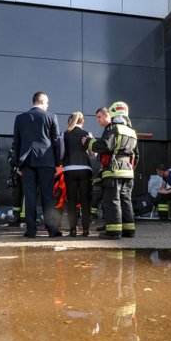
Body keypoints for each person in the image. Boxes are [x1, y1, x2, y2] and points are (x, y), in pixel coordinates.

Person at [82, 103, 139, 240]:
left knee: (112, 200)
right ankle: (129, 230)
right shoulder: (132, 131)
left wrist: (89, 142)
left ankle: (114, 232)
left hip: (114, 171)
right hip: (128, 172)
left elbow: (106, 146)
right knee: (126, 200)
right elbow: (136, 156)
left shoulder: (114, 129)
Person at [12, 91, 62, 238]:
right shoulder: (51, 117)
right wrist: (56, 163)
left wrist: (17, 164)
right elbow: (56, 142)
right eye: (46, 102)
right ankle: (52, 229)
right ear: (41, 101)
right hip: (46, 161)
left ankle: (31, 230)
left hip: (27, 161)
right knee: (48, 196)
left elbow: (16, 142)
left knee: (30, 196)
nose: (47, 105)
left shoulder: (20, 118)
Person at [61, 112, 93, 237]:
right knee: (85, 200)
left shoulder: (64, 134)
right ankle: (86, 230)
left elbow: (61, 154)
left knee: (72, 200)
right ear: (83, 122)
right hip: (85, 168)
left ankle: (73, 230)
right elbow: (93, 154)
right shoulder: (87, 134)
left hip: (69, 168)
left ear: (70, 121)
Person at [7, 144, 25, 226]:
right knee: (16, 195)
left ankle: (24, 216)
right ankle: (16, 216)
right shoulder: (14, 148)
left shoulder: (27, 146)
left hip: (26, 174)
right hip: (16, 176)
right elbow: (10, 160)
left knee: (26, 195)